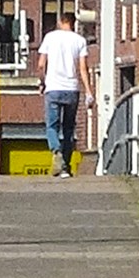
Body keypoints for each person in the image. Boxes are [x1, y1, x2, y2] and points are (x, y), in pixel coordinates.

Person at [37, 14, 91, 173]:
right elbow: (83, 68)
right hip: (72, 89)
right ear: (73, 23)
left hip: (53, 88)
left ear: (60, 22)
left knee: (52, 126)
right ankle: (65, 166)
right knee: (69, 128)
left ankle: (56, 151)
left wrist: (42, 82)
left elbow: (41, 65)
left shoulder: (50, 37)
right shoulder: (80, 40)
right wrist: (89, 91)